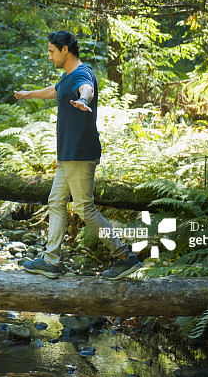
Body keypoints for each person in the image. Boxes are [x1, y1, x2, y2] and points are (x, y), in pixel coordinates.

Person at [13, 30, 141, 280]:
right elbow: (54, 91)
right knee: (56, 201)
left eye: (51, 51)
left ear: (65, 50)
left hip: (79, 155)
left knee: (85, 208)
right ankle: (51, 260)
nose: (49, 56)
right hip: (67, 156)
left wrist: (84, 100)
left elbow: (87, 90)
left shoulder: (82, 74)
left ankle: (125, 257)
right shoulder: (68, 76)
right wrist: (29, 94)